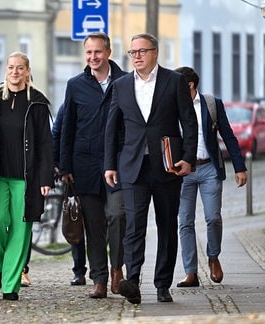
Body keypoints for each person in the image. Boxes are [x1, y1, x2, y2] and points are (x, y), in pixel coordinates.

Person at [104, 33, 198, 304]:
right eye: (132, 52)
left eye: (142, 51)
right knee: (134, 226)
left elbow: (189, 122)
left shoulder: (174, 81)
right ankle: (132, 281)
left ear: (155, 52)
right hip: (133, 167)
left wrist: (188, 158)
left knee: (167, 225)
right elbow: (112, 128)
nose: (137, 56)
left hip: (168, 166)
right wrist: (110, 164)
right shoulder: (121, 85)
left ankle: (162, 283)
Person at [0, 52, 54, 301]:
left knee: (20, 230)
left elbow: (45, 144)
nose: (15, 72)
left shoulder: (37, 103)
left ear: (28, 71)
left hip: (26, 179)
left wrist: (46, 179)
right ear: (5, 70)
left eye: (20, 68)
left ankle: (10, 286)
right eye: (11, 68)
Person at [59, 32, 127, 298]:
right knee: (94, 224)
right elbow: (68, 128)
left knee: (118, 215)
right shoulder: (75, 85)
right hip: (84, 164)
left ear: (108, 52)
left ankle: (116, 269)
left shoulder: (125, 81)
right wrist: (65, 167)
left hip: (118, 162)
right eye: (88, 53)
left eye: (97, 52)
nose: (93, 57)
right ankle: (98, 278)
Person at [174, 66, 248, 287]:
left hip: (208, 169)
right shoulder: (171, 106)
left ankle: (213, 257)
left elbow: (228, 135)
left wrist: (239, 167)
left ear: (190, 85)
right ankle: (191, 272)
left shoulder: (211, 104)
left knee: (213, 217)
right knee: (184, 222)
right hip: (183, 172)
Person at [52, 103, 87, 287]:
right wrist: (60, 165)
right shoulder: (68, 105)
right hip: (74, 172)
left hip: (100, 170)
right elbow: (57, 134)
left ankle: (107, 269)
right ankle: (79, 270)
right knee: (75, 219)